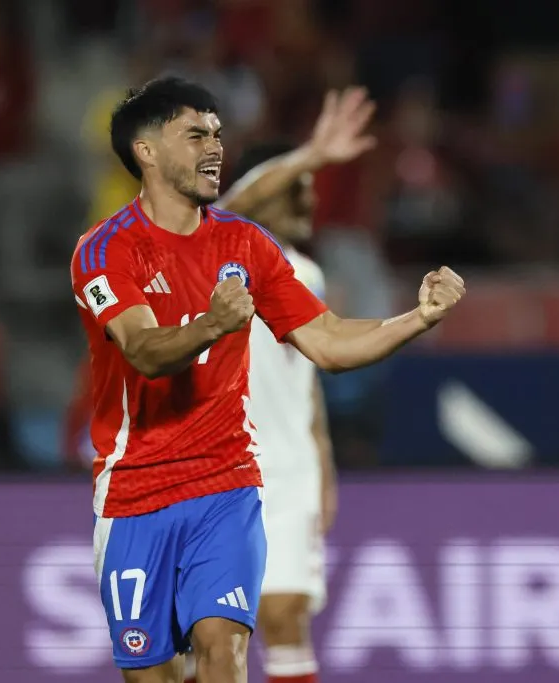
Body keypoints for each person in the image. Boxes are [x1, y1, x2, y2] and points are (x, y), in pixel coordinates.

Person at [70, 76, 464, 683]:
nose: (214, 146)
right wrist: (212, 325)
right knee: (156, 674)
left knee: (224, 651)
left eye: (218, 133)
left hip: (227, 487)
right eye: (195, 133)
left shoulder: (246, 245)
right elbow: (144, 351)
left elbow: (329, 341)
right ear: (146, 151)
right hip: (135, 496)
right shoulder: (104, 250)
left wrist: (419, 318)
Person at [190, 89, 377, 683]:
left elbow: (308, 382)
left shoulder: (309, 273)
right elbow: (237, 204)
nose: (309, 198)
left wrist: (323, 464)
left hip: (291, 468)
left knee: (287, 613)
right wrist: (311, 154)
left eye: (312, 188)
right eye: (296, 187)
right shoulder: (223, 258)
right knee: (211, 635)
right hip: (220, 466)